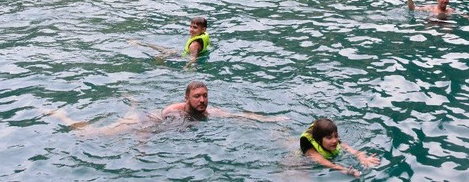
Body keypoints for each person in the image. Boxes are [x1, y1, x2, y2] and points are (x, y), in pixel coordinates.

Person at [49, 81, 281, 136]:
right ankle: (60, 115)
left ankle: (132, 104)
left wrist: (270, 120)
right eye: (197, 97)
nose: (202, 100)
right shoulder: (174, 110)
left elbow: (237, 115)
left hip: (149, 123)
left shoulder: (209, 112)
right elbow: (148, 128)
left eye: (205, 96)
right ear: (187, 98)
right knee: (91, 135)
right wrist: (140, 148)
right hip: (142, 123)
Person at [300, 118, 380, 177]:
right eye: (329, 138)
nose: (334, 141)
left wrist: (363, 158)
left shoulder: (336, 143)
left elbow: (354, 151)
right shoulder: (311, 152)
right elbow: (326, 163)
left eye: (336, 136)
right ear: (318, 140)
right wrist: (345, 170)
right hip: (301, 164)